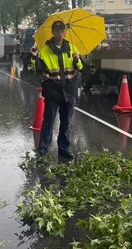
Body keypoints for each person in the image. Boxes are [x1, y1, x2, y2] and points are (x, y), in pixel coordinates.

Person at [30, 20, 82, 159]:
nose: (60, 34)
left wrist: (77, 60)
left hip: (69, 91)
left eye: (62, 31)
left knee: (66, 122)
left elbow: (80, 68)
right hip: (53, 91)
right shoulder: (45, 49)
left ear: (65, 32)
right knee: (49, 121)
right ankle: (43, 149)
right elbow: (38, 69)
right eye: (57, 31)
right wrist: (34, 58)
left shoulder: (72, 47)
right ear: (52, 32)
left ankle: (63, 149)